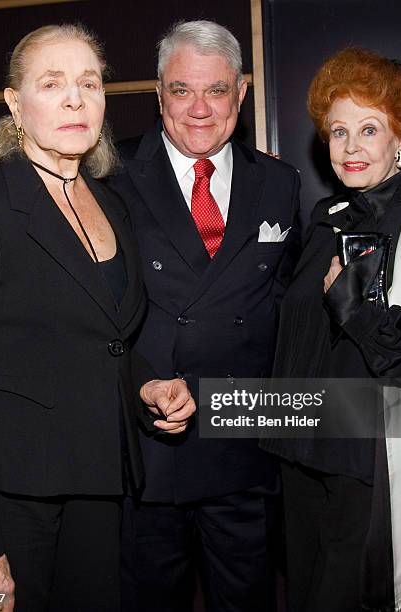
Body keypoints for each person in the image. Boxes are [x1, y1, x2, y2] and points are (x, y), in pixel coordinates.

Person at [0, 24, 195, 612]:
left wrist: (146, 384)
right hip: (7, 499)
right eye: (52, 83)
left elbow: (107, 336)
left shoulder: (111, 200)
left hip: (102, 485)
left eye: (89, 83)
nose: (76, 99)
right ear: (15, 101)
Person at [107, 19, 301, 612]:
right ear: (158, 94)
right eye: (181, 90)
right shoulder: (110, 178)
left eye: (215, 90)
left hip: (244, 446)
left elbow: (289, 309)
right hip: (150, 453)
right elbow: (95, 317)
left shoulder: (280, 182)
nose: (198, 109)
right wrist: (143, 383)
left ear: (241, 93)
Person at [261, 47, 401, 611]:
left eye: (369, 130)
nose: (350, 147)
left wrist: (355, 308)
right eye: (337, 131)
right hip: (296, 449)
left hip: (368, 461)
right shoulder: (324, 222)